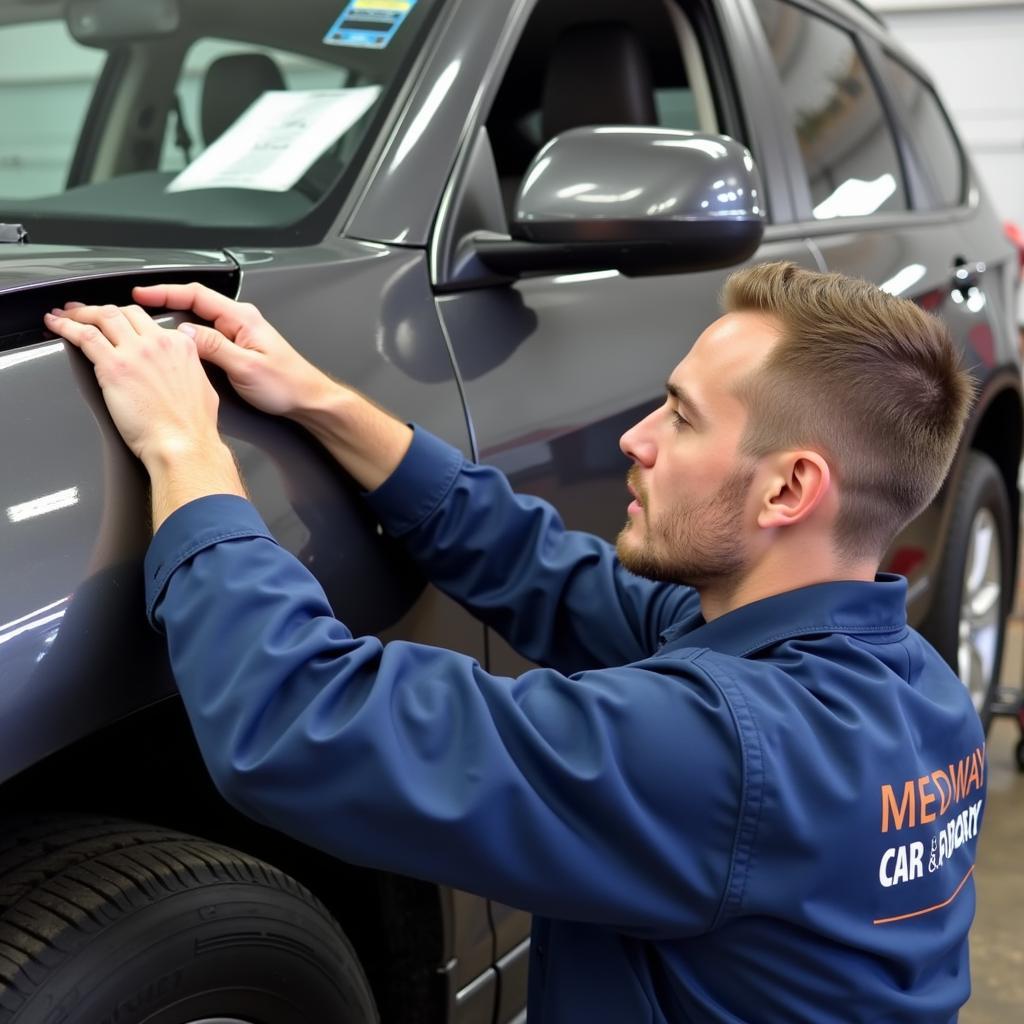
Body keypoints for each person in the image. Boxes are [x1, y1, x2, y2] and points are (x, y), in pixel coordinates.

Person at [44, 261, 985, 1023]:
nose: (636, 438)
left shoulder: (732, 754)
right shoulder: (916, 687)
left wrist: (186, 454)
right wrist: (319, 400)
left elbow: (303, 721)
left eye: (682, 417)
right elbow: (547, 573)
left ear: (789, 490)